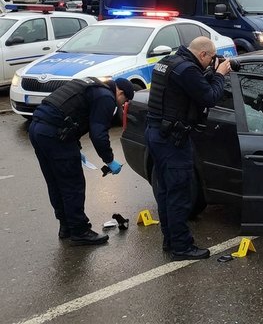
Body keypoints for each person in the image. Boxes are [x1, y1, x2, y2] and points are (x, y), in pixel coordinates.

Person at [145, 36, 231, 261]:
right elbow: (209, 97)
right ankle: (182, 247)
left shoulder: (169, 62)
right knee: (179, 195)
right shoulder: (187, 71)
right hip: (172, 140)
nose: (211, 63)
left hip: (156, 134)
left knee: (165, 192)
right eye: (211, 59)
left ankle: (170, 240)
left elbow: (189, 89)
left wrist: (211, 74)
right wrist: (220, 74)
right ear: (203, 54)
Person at [28, 77, 134, 245]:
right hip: (55, 135)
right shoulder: (106, 97)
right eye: (124, 100)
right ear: (120, 92)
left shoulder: (90, 85)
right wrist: (109, 160)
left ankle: (66, 227)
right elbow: (98, 133)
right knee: (73, 184)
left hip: (37, 128)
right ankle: (79, 231)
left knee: (55, 182)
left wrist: (74, 146)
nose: (121, 104)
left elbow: (69, 113)